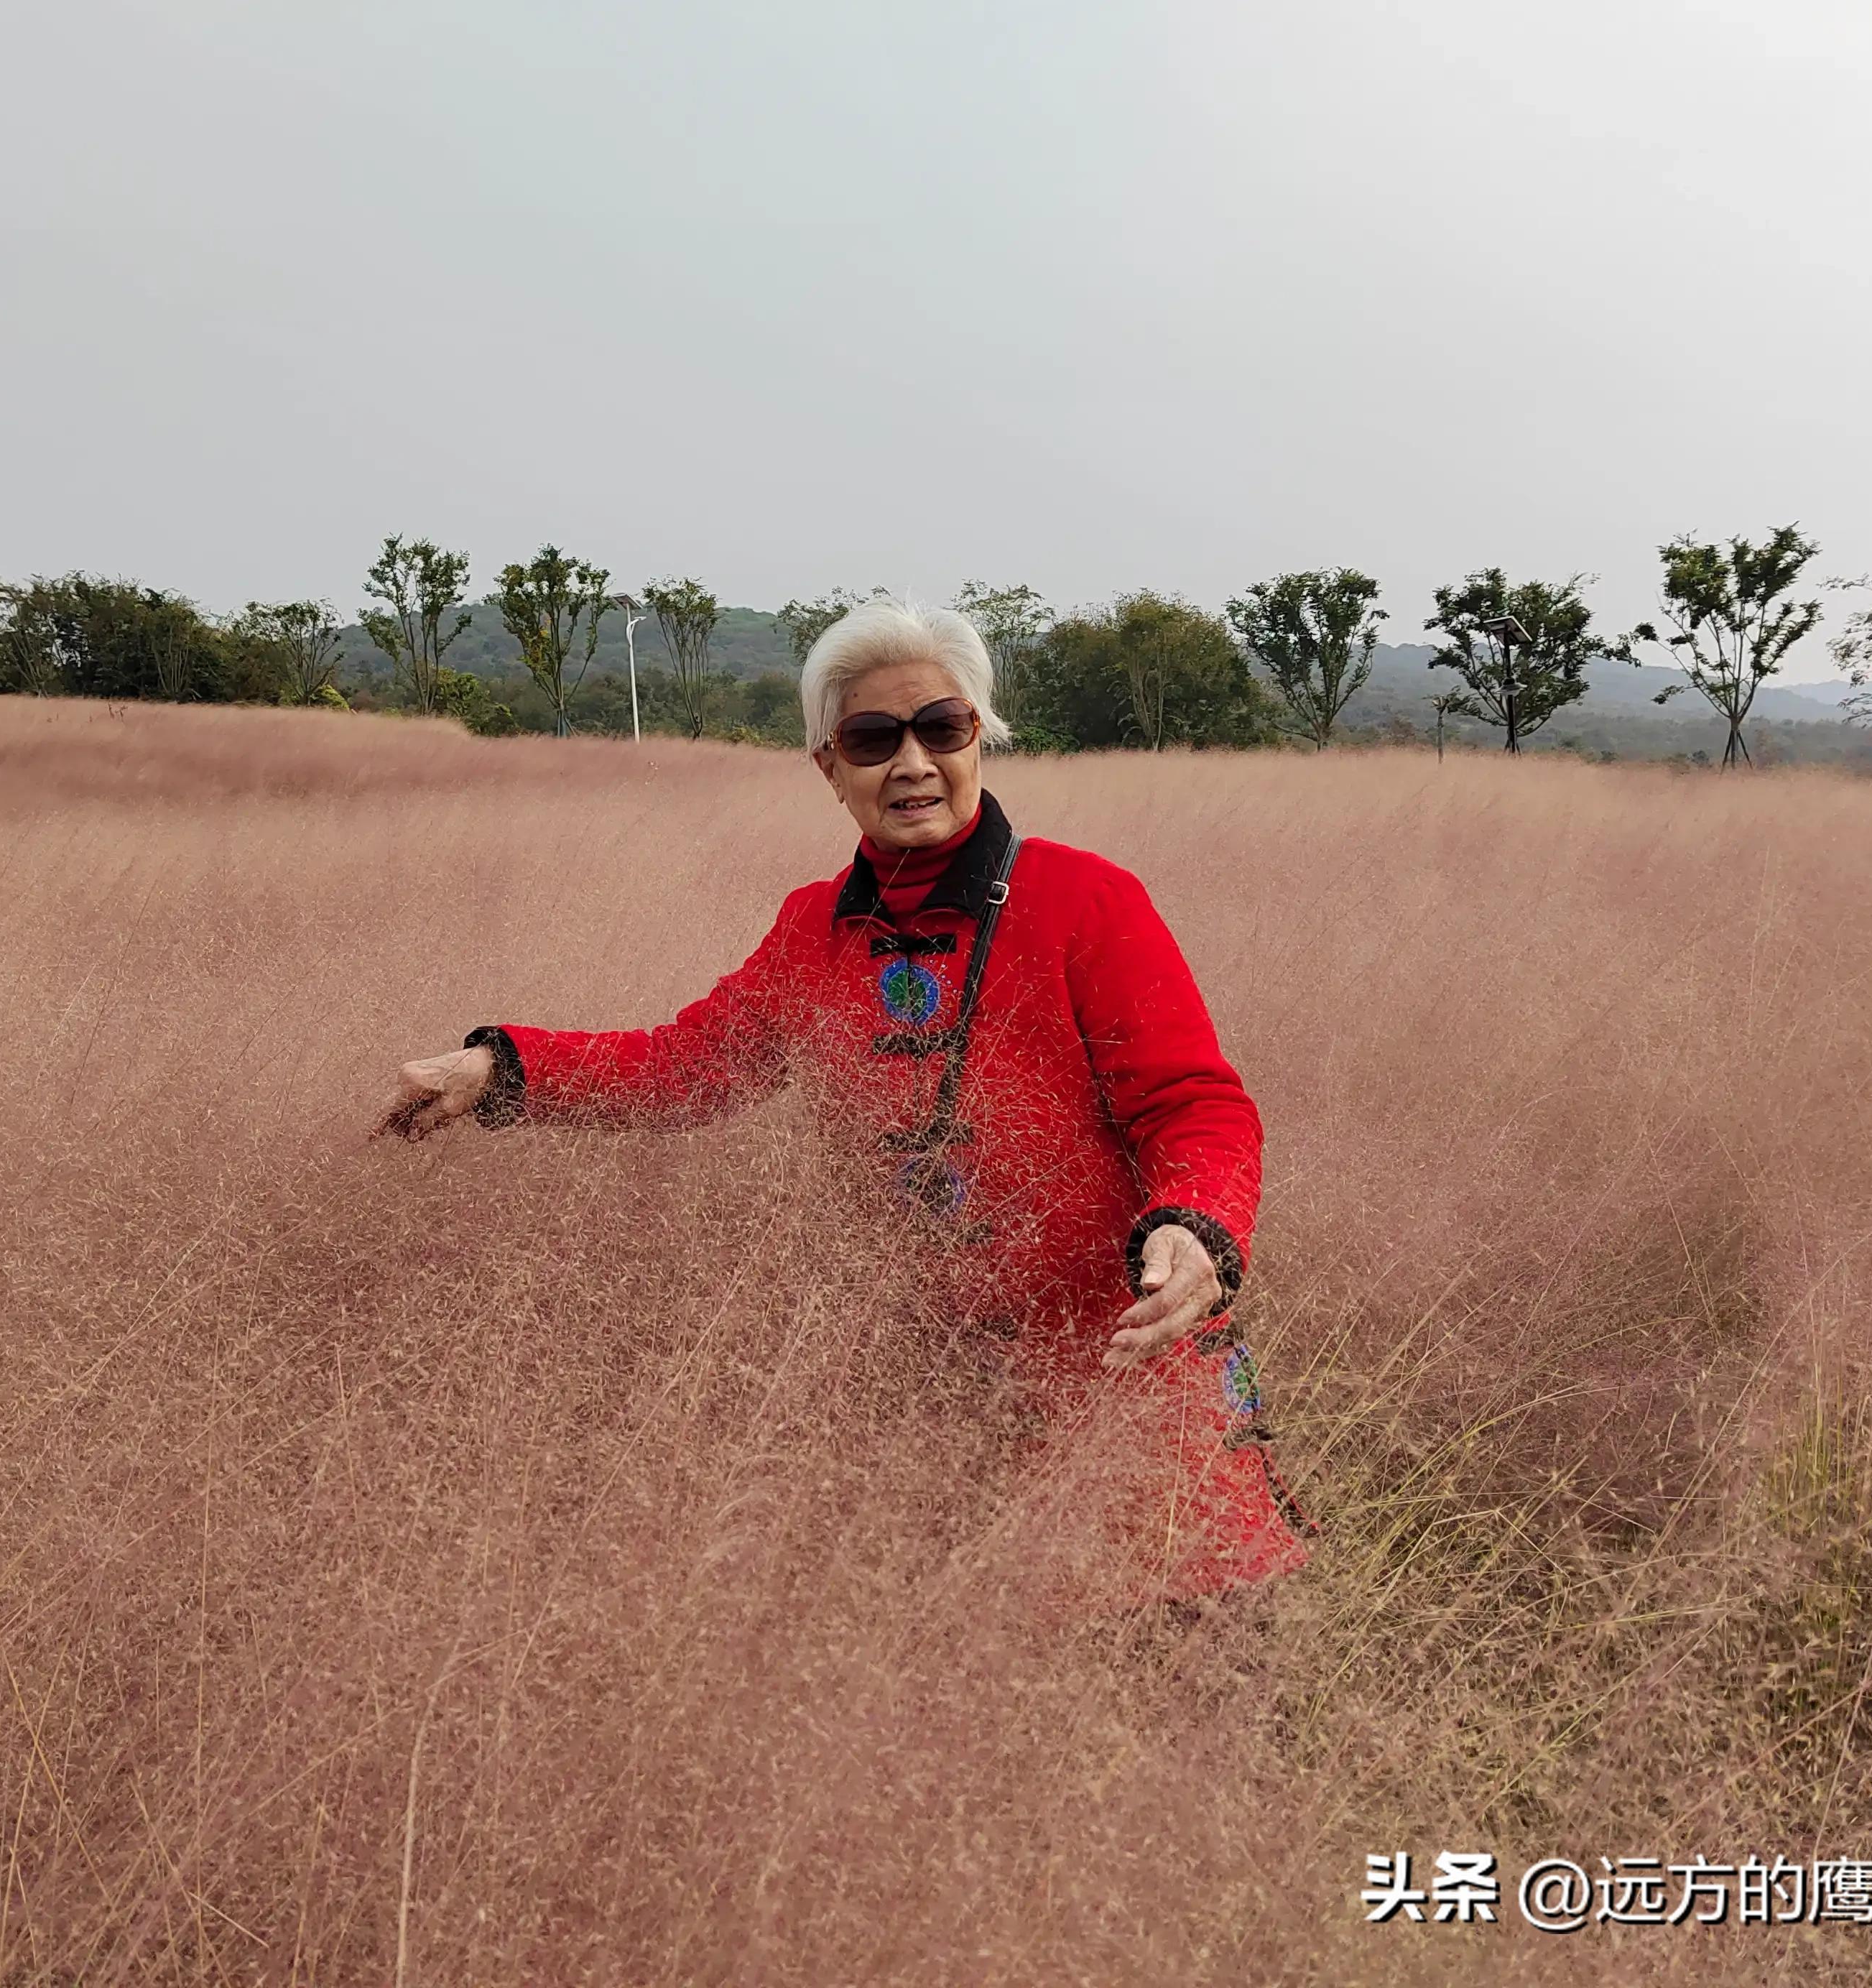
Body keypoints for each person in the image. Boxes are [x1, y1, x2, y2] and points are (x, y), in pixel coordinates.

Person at [379, 601, 1308, 1599]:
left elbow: (1192, 1103)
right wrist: (504, 1068)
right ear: (830, 766)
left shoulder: (1086, 899)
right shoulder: (813, 932)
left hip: (1128, 1358)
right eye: (872, 739)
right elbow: (687, 1065)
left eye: (940, 728)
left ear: (978, 738)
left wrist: (1195, 1226)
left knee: (1193, 1636)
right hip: (941, 1390)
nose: (912, 763)